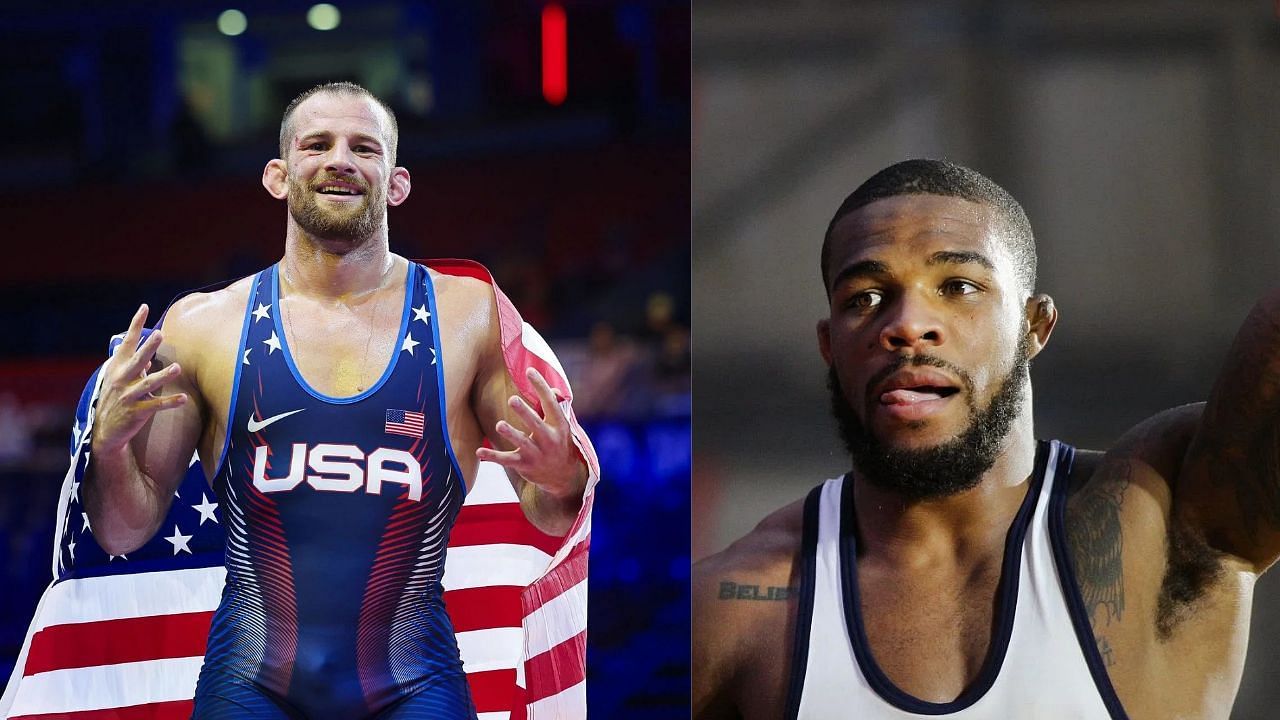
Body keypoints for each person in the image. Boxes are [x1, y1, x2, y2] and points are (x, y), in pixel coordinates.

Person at [692, 158, 1278, 719]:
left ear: (1034, 326)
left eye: (958, 286)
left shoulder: (1167, 509)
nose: (905, 325)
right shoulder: (738, 604)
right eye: (865, 298)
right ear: (829, 346)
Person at [82, 82, 593, 719]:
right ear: (277, 174)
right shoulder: (202, 325)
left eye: (364, 148)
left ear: (397, 182)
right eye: (317, 144)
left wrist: (561, 477)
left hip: (414, 686)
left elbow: (549, 514)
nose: (340, 160)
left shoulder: (468, 318)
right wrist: (108, 448)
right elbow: (123, 530)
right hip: (251, 687)